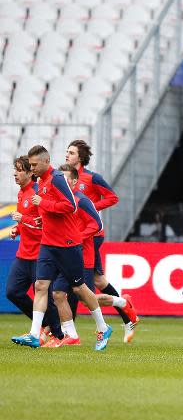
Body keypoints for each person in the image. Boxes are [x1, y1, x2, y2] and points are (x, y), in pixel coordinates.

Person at [11, 145, 112, 351]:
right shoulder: (41, 181)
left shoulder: (57, 178)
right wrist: (38, 220)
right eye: (30, 165)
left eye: (34, 165)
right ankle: (34, 333)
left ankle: (103, 327)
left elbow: (70, 206)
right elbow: (49, 212)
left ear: (46, 161)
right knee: (41, 286)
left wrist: (44, 204)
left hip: (68, 244)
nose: (32, 169)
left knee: (79, 289)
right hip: (48, 244)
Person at [44, 164, 138, 348]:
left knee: (84, 297)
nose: (62, 182)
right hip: (64, 253)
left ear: (75, 181)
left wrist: (77, 237)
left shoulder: (82, 200)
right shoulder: (61, 203)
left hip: (81, 255)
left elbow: (97, 225)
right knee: (58, 293)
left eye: (66, 179)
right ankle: (71, 335)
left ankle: (118, 306)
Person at [65, 140, 137, 342]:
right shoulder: (65, 179)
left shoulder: (92, 178)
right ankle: (127, 312)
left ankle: (70, 333)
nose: (67, 155)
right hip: (76, 235)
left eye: (71, 153)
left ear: (80, 157)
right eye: (67, 152)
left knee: (80, 286)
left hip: (91, 235)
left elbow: (112, 197)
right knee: (97, 281)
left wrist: (91, 206)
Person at [5, 155, 63, 343]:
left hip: (40, 254)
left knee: (48, 297)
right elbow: (27, 222)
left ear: (30, 173)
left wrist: (23, 221)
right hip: (23, 254)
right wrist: (17, 229)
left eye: (19, 170)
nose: (15, 173)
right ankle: (43, 326)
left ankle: (59, 335)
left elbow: (44, 225)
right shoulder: (22, 193)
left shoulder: (37, 194)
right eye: (15, 169)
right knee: (13, 292)